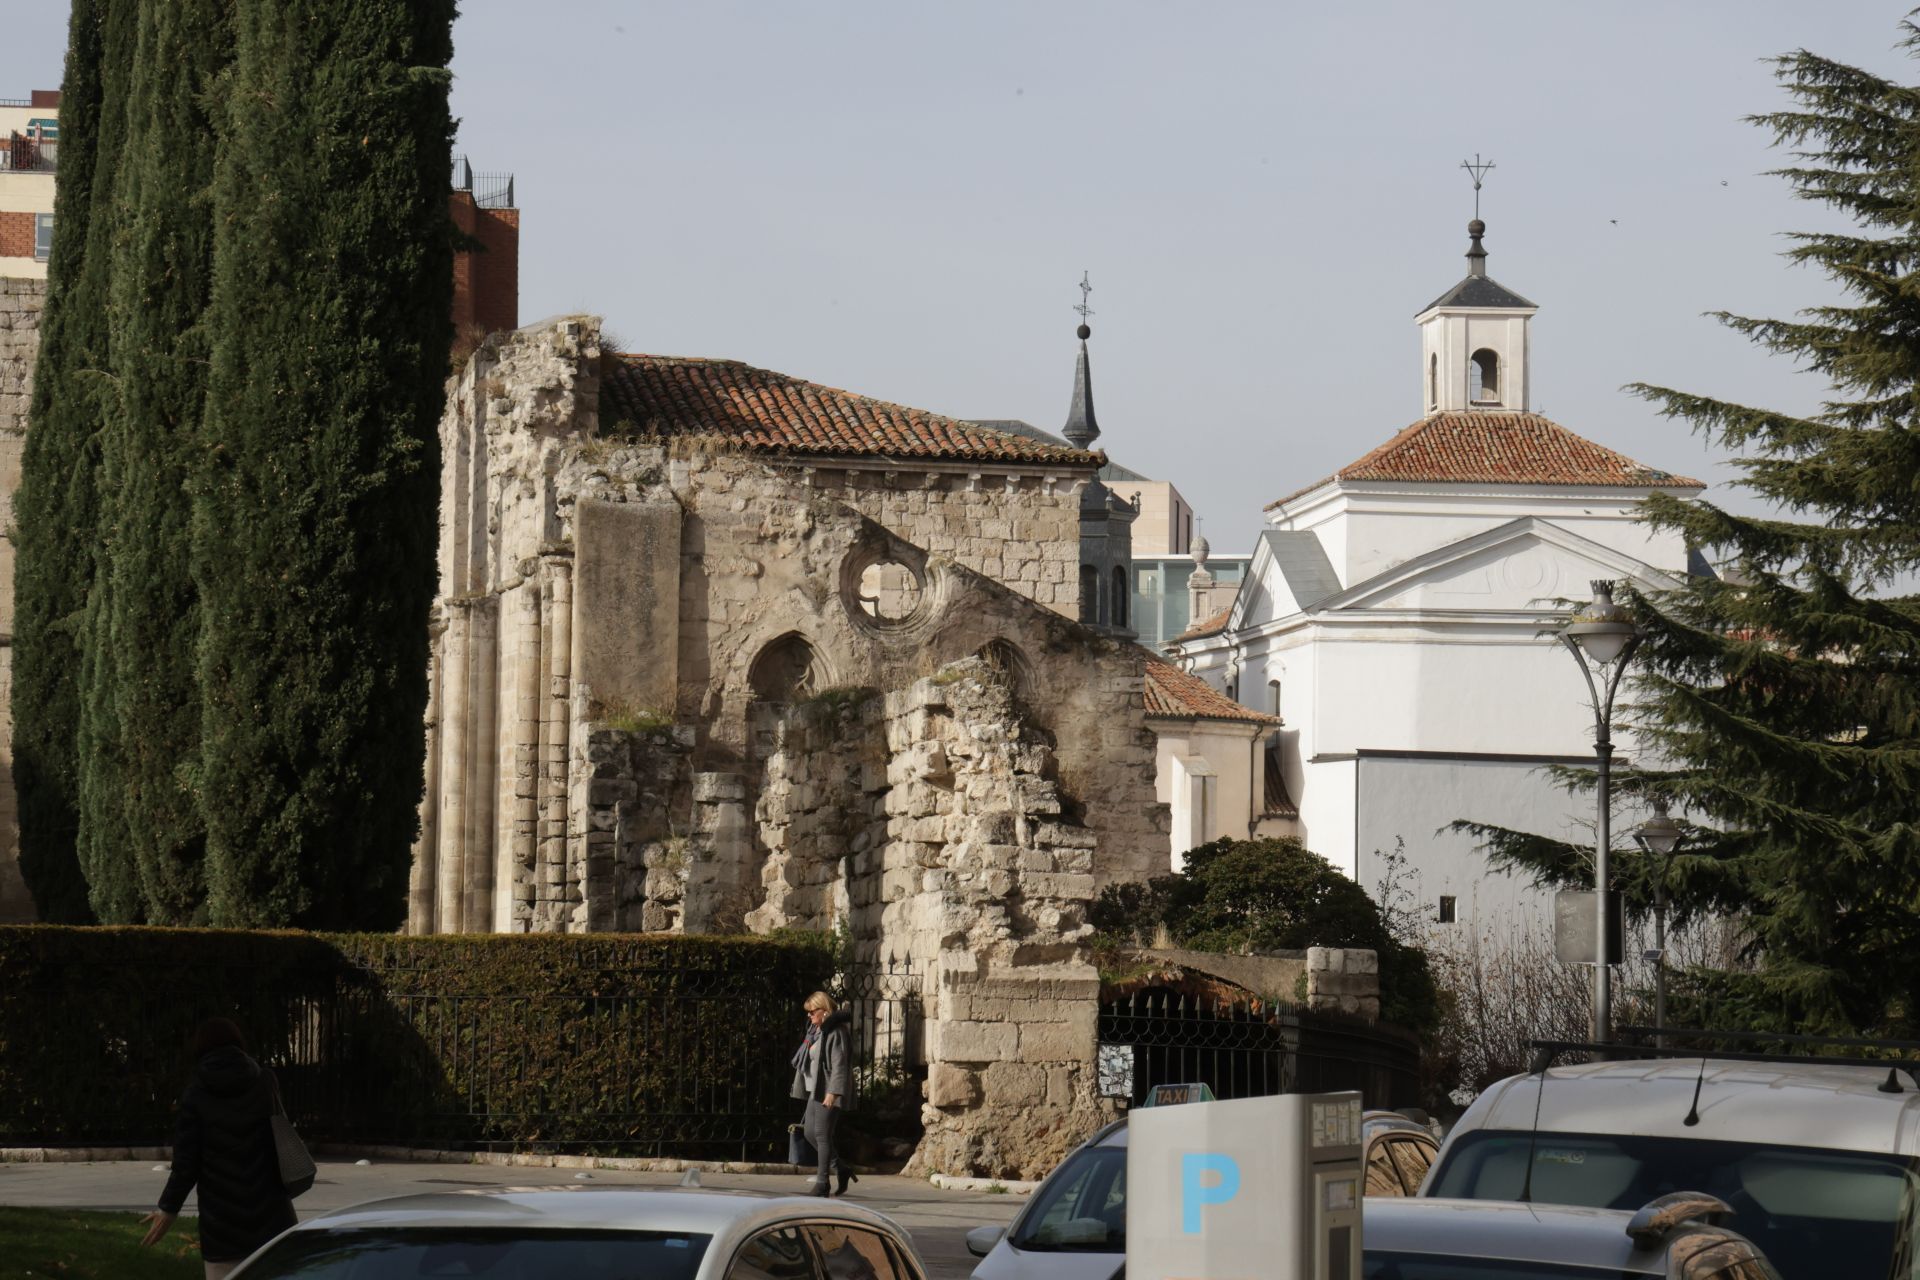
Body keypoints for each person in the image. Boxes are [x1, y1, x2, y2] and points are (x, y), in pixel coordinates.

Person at [141, 1017, 299, 1278]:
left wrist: (168, 1208)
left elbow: (185, 1166)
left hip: (223, 1227)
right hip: (273, 1218)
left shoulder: (195, 1095)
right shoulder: (266, 1082)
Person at [789, 990, 856, 1196]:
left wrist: (833, 1092)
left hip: (827, 1091)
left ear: (824, 1009)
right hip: (814, 1090)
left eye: (812, 1012)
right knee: (809, 1132)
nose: (809, 1016)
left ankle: (822, 1183)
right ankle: (841, 1169)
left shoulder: (836, 1032)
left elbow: (840, 1065)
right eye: (808, 1012)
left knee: (822, 1135)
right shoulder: (816, 1031)